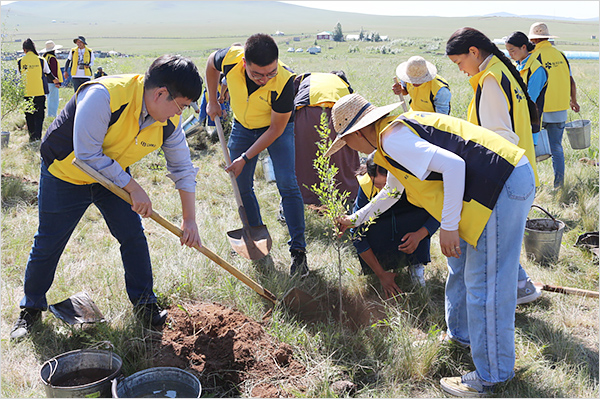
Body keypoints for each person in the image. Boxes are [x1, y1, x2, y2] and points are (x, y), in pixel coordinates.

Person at [328, 93, 535, 397]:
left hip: (500, 186)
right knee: (460, 267)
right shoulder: (390, 139)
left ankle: (493, 375)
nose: (350, 149)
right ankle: (461, 336)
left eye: (347, 142)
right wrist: (356, 219)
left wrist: (448, 226)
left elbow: (453, 167)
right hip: (495, 184)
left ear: (358, 132)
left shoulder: (393, 139)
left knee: (486, 284)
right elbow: (393, 192)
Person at [9, 55, 204, 341]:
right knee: (49, 241)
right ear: (161, 93)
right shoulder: (104, 96)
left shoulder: (167, 124)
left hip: (110, 177)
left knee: (132, 236)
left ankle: (146, 305)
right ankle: (31, 309)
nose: (179, 114)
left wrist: (189, 220)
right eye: (181, 106)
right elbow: (87, 154)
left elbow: (183, 169)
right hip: (65, 172)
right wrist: (134, 187)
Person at [446, 27, 542, 306]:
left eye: (459, 63)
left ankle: (503, 303)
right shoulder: (501, 71)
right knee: (504, 247)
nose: (461, 70)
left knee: (494, 251)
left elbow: (498, 141)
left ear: (474, 52)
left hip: (505, 178)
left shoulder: (490, 80)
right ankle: (521, 287)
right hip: (522, 173)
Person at [205, 33, 309, 277]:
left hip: (276, 129)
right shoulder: (231, 58)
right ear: (244, 64)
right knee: (241, 185)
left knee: (287, 183)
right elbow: (210, 63)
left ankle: (299, 252)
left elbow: (276, 129)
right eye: (257, 74)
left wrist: (245, 158)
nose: (265, 79)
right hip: (242, 125)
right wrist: (211, 100)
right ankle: (255, 240)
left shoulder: (284, 81)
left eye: (270, 73)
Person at [350, 152, 440, 296]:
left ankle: (415, 265)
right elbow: (356, 233)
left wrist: (419, 235)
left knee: (418, 216)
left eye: (386, 186)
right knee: (368, 228)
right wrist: (380, 274)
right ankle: (382, 267)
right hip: (384, 231)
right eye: (377, 185)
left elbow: (439, 211)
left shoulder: (414, 181)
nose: (382, 193)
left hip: (411, 227)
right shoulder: (366, 186)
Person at [293, 71, 360, 205]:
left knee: (304, 157)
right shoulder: (344, 85)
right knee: (343, 157)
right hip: (339, 116)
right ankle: (346, 197)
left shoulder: (305, 78)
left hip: (305, 114)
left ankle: (307, 199)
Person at [528, 22, 581, 188]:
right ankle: (559, 184)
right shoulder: (561, 55)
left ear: (533, 39)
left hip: (539, 111)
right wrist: (573, 100)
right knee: (556, 147)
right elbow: (571, 80)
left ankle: (532, 184)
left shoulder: (533, 57)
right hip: (559, 109)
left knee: (531, 148)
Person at [505, 31, 548, 145]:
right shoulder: (516, 66)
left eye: (512, 50)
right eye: (508, 51)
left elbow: (530, 99)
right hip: (515, 121)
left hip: (529, 122)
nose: (510, 55)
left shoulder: (537, 69)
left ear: (523, 47)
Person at [17, 38, 60, 141]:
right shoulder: (41, 60)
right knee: (39, 115)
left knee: (29, 115)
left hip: (26, 93)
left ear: (24, 50)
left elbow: (19, 78)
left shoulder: (20, 62)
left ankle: (32, 137)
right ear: (33, 48)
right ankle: (38, 137)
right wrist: (55, 80)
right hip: (39, 92)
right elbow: (48, 74)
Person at [39, 40, 64, 118]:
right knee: (53, 100)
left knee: (49, 99)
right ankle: (52, 115)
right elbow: (54, 70)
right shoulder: (52, 58)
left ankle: (50, 115)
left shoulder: (44, 57)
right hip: (52, 82)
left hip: (45, 81)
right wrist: (56, 82)